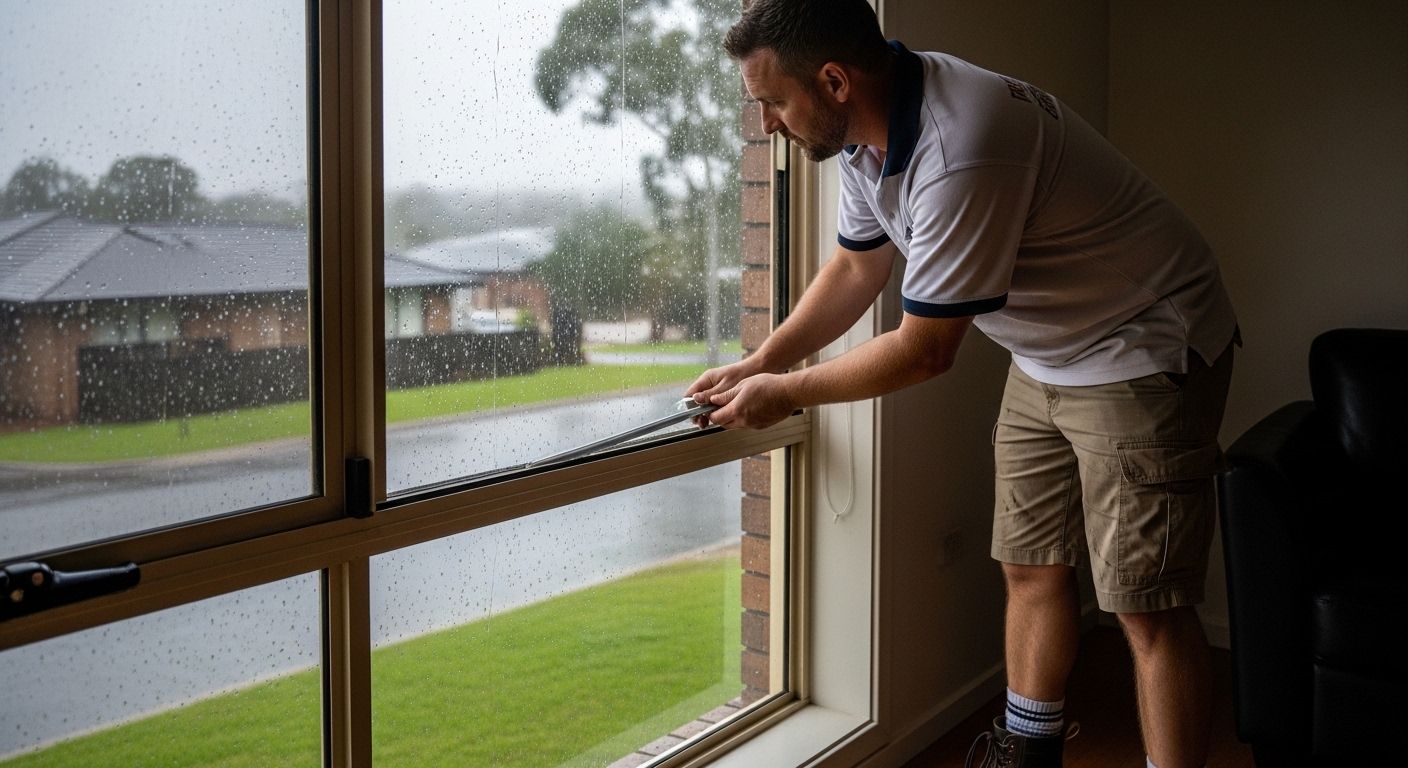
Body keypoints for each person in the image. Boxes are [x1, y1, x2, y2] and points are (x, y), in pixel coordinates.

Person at [686, 1, 1239, 767]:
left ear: (835, 80)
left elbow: (923, 352)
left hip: (1141, 347)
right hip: (1046, 352)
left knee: (1146, 607)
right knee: (1029, 563)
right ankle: (1029, 753)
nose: (769, 123)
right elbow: (856, 266)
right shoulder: (863, 136)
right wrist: (761, 363)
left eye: (773, 102)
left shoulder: (961, 145)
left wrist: (785, 394)